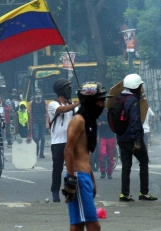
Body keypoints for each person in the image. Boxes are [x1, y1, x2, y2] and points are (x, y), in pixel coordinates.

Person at [63, 82, 110, 231]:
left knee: (77, 224)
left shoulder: (88, 120)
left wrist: (93, 181)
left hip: (84, 177)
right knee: (93, 225)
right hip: (78, 177)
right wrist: (71, 179)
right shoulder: (78, 120)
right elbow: (68, 150)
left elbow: (84, 155)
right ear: (90, 101)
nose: (103, 105)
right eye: (100, 101)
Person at [116, 74, 157, 202]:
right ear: (135, 87)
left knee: (126, 166)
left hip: (121, 138)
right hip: (132, 139)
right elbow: (134, 121)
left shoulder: (119, 98)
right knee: (144, 161)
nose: (141, 89)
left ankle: (124, 194)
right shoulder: (132, 100)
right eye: (140, 86)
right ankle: (144, 192)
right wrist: (137, 141)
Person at [48, 78, 79, 202]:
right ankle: (55, 191)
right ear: (61, 90)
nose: (70, 90)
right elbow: (62, 110)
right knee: (57, 168)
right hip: (57, 143)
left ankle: (70, 191)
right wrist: (78, 102)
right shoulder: (53, 104)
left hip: (70, 142)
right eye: (68, 88)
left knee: (72, 168)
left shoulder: (72, 106)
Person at [97, 108, 116, 179]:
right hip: (102, 136)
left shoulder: (112, 114)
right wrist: (100, 124)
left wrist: (104, 124)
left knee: (110, 155)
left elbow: (114, 124)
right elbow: (96, 123)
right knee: (102, 154)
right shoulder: (99, 114)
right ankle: (102, 171)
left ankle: (109, 172)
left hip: (111, 136)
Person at [29, 89, 48, 158]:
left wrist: (47, 122)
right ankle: (36, 150)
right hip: (35, 122)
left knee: (43, 137)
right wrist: (30, 122)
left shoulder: (44, 102)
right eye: (37, 94)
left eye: (39, 94)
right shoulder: (32, 102)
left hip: (42, 122)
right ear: (34, 95)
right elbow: (30, 112)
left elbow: (47, 112)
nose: (38, 95)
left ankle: (41, 153)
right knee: (36, 137)